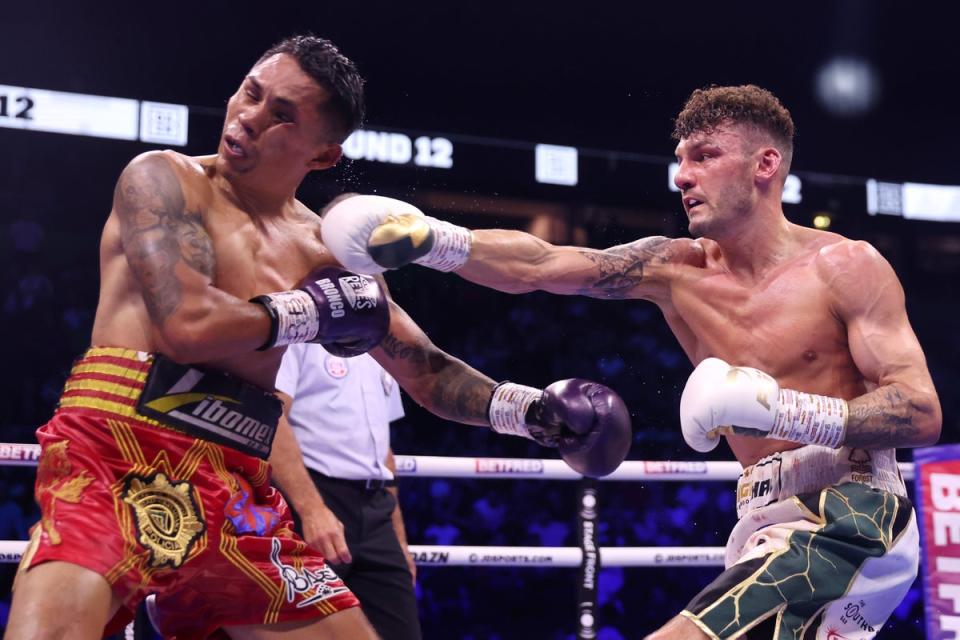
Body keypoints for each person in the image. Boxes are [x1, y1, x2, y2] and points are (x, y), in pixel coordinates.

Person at [5, 35, 631, 640]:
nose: (247, 118)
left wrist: (533, 412)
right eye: (249, 94)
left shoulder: (321, 250)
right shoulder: (164, 180)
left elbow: (423, 369)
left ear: (323, 154)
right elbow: (188, 326)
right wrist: (310, 311)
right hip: (118, 450)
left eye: (280, 115)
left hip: (236, 488)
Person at [321, 84, 943, 639]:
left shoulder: (844, 267)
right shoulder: (675, 269)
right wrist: (433, 240)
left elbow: (919, 410)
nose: (681, 176)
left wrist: (782, 409)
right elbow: (543, 264)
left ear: (766, 165)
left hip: (853, 510)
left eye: (704, 156)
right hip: (760, 519)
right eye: (680, 159)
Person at [271, 341, 421, 639]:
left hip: (377, 511)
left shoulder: (381, 343)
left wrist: (399, 539)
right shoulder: (302, 332)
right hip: (315, 501)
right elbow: (271, 416)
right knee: (308, 630)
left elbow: (382, 445)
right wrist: (311, 509)